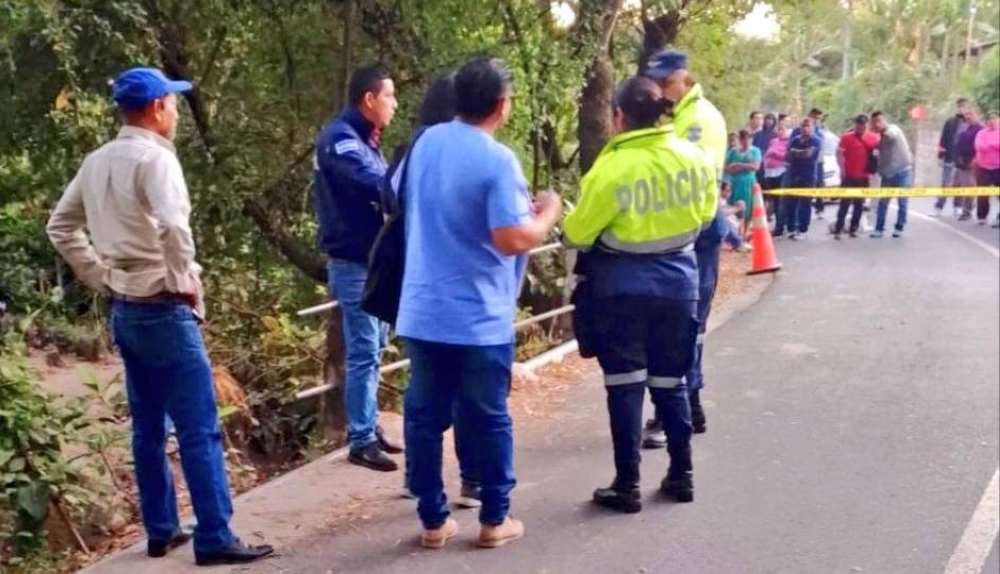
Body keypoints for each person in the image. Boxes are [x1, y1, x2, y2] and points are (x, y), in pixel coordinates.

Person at [46, 67, 273, 566]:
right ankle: (215, 535)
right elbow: (173, 226)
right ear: (155, 108)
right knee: (199, 426)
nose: (176, 113)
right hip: (163, 305)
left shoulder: (97, 162)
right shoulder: (157, 159)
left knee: (148, 426)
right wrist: (180, 280)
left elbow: (60, 226)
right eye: (172, 103)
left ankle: (161, 528)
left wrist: (100, 275)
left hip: (125, 307)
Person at [398, 58, 562, 549]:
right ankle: (494, 518)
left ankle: (432, 520)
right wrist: (548, 214)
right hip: (477, 314)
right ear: (502, 105)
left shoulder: (425, 143)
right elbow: (512, 238)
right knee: (488, 415)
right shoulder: (497, 160)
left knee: (424, 416)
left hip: (423, 308)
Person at [563, 76, 716, 513]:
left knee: (625, 387)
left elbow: (578, 233)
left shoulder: (612, 168)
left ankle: (627, 484)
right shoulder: (694, 158)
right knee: (672, 383)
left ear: (618, 116)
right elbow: (707, 217)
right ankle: (682, 475)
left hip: (621, 291)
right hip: (679, 287)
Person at [385, 73, 481, 509]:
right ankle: (472, 480)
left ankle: (418, 478)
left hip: (418, 288)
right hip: (465, 289)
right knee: (467, 387)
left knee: (423, 390)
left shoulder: (411, 151)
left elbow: (389, 199)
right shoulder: (471, 151)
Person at [314, 65, 402, 472]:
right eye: (389, 96)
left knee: (375, 346)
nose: (394, 104)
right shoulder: (341, 140)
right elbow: (374, 185)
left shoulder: (366, 141)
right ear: (369, 99)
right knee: (364, 350)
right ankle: (361, 439)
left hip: (371, 261)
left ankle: (369, 424)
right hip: (352, 264)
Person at [642, 48, 728, 443]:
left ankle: (677, 411)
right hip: (688, 230)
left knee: (682, 324)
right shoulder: (679, 115)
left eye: (666, 81)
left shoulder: (699, 118)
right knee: (684, 324)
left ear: (684, 77)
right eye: (657, 82)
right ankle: (689, 405)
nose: (661, 89)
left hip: (696, 230)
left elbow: (691, 179)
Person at [834, 115, 879, 239]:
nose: (861, 127)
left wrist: (874, 169)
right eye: (859, 124)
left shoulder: (873, 138)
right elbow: (839, 154)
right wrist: (842, 170)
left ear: (867, 125)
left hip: (863, 177)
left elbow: (878, 153)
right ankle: (838, 229)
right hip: (848, 176)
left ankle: (853, 229)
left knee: (859, 205)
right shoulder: (846, 137)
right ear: (855, 125)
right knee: (844, 204)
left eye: (863, 125)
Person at [870, 111, 914, 238]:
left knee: (902, 202)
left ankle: (899, 228)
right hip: (887, 175)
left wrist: (880, 134)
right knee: (883, 202)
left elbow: (891, 136)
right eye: (874, 122)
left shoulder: (893, 130)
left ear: (885, 120)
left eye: (879, 121)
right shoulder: (880, 140)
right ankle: (879, 229)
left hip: (903, 172)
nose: (877, 124)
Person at [783, 117, 823, 240]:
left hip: (808, 176)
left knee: (805, 204)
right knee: (791, 203)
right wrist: (797, 152)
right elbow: (787, 155)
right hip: (794, 174)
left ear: (813, 127)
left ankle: (803, 229)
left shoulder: (816, 140)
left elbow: (808, 154)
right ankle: (791, 228)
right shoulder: (795, 139)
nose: (805, 128)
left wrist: (795, 152)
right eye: (803, 126)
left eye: (808, 126)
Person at [933, 98, 970, 217]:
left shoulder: (969, 124)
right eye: (960, 106)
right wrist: (940, 155)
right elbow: (943, 139)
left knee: (959, 184)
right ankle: (938, 207)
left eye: (964, 106)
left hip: (962, 160)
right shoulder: (950, 122)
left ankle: (958, 206)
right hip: (949, 157)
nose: (962, 108)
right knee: (945, 183)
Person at [724, 129, 762, 239]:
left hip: (748, 182)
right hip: (734, 182)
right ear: (740, 140)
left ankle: (745, 232)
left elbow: (756, 167)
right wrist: (734, 168)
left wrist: (739, 165)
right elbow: (726, 167)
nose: (746, 142)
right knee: (733, 205)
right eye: (744, 139)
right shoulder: (733, 152)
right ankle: (735, 232)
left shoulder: (755, 151)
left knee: (748, 208)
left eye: (749, 139)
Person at [953, 107, 982, 221]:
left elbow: (980, 146)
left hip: (971, 160)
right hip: (960, 160)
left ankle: (967, 210)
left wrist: (975, 158)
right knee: (958, 184)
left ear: (975, 115)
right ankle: (960, 206)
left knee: (969, 185)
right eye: (966, 114)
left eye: (970, 114)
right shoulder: (963, 127)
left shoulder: (979, 129)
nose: (968, 116)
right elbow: (957, 143)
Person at [974, 111, 1000, 227]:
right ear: (987, 121)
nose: (992, 121)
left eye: (994, 118)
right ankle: (982, 216)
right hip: (983, 167)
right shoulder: (981, 133)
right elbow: (979, 147)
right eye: (990, 119)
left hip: (998, 167)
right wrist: (995, 145)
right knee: (983, 193)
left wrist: (989, 145)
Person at [763, 117, 790, 225]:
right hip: (769, 172)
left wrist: (774, 153)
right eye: (779, 129)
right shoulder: (773, 141)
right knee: (773, 199)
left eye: (782, 129)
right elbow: (767, 154)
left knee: (780, 200)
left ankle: (781, 224)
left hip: (780, 171)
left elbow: (786, 156)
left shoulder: (788, 142)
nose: (780, 131)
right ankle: (778, 222)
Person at [753, 113, 778, 184]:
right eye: (768, 119)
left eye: (771, 119)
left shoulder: (776, 135)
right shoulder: (757, 134)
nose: (769, 121)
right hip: (758, 160)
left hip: (770, 162)